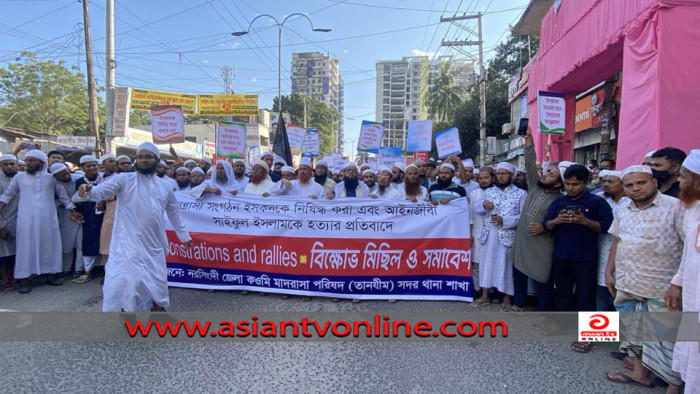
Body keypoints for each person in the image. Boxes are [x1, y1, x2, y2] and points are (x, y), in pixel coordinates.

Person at [74, 142, 192, 311]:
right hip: (127, 241)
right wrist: (88, 190)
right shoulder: (124, 179)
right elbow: (101, 191)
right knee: (129, 278)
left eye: (148, 157)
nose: (143, 160)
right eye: (140, 157)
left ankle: (158, 310)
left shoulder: (166, 186)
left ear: (157, 160)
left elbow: (174, 212)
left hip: (154, 241)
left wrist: (184, 235)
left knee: (156, 277)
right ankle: (127, 310)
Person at [604, 165, 684, 391]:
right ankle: (640, 374)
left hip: (662, 286)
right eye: (629, 185)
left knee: (667, 338)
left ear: (654, 183)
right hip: (629, 282)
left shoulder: (676, 208)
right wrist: (609, 270)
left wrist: (678, 282)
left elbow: (689, 248)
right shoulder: (624, 209)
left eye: (641, 183)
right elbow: (617, 240)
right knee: (634, 333)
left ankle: (673, 385)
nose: (636, 188)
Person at [0, 150, 78, 294]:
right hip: (26, 220)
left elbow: (63, 196)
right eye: (27, 160)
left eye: (32, 160)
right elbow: (8, 194)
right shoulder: (19, 177)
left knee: (48, 246)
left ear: (42, 163)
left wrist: (72, 209)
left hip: (48, 219)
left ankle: (50, 275)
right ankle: (25, 279)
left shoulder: (51, 178)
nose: (28, 163)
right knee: (26, 247)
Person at [511, 127, 563, 312]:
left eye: (551, 174)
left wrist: (544, 227)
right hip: (523, 241)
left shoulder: (560, 199)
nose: (546, 175)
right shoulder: (534, 187)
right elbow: (531, 166)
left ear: (559, 182)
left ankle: (545, 313)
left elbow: (560, 222)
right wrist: (528, 142)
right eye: (547, 171)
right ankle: (519, 304)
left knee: (542, 278)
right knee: (518, 272)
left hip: (542, 244)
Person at [666, 149, 700, 393]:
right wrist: (677, 283)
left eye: (684, 177)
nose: (680, 182)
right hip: (692, 296)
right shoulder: (693, 209)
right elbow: (689, 251)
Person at [472, 162, 526, 309]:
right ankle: (485, 296)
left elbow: (523, 217)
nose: (501, 177)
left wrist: (505, 221)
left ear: (512, 176)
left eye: (504, 174)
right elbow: (476, 206)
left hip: (507, 236)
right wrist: (484, 205)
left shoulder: (521, 194)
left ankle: (507, 298)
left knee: (506, 267)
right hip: (488, 235)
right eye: (499, 174)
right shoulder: (489, 191)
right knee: (486, 265)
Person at [595, 170, 628, 312]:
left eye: (610, 181)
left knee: (620, 302)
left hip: (623, 256)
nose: (605, 184)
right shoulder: (598, 199)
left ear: (622, 185)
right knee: (599, 300)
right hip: (600, 251)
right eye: (604, 181)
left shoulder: (631, 202)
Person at [73, 156, 105, 284]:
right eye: (88, 166)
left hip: (104, 215)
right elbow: (77, 199)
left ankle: (105, 271)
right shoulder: (79, 181)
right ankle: (88, 271)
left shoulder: (105, 178)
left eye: (94, 165)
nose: (92, 168)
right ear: (82, 168)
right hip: (88, 215)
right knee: (88, 242)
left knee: (104, 243)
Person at [51, 163, 85, 279]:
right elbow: (60, 199)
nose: (65, 176)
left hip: (81, 213)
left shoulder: (79, 178)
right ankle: (66, 269)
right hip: (65, 216)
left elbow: (83, 196)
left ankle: (79, 269)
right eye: (61, 175)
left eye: (65, 172)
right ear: (56, 177)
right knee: (67, 243)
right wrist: (69, 207)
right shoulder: (55, 183)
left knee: (81, 243)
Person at [469, 167, 495, 295]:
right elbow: (470, 216)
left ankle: (491, 289)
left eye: (486, 178)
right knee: (476, 263)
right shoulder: (474, 194)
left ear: (492, 178)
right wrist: (470, 234)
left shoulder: (497, 192)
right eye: (481, 178)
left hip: (494, 232)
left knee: (491, 262)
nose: (483, 180)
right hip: (477, 231)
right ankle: (477, 289)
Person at [0, 154, 19, 291]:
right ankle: (5, 280)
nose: (9, 166)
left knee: (17, 252)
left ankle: (15, 277)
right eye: (6, 164)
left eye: (12, 163)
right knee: (3, 254)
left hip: (20, 220)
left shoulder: (22, 178)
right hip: (3, 221)